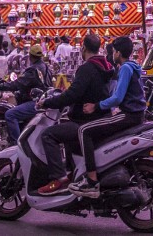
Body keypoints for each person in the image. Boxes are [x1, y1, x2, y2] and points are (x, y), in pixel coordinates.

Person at [35, 34, 114, 196]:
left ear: (83, 48)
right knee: (65, 127)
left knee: (48, 135)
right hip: (101, 117)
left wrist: (47, 102)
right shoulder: (106, 67)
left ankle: (58, 178)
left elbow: (72, 94)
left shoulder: (87, 68)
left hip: (86, 121)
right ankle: (73, 172)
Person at [69, 36, 147, 198]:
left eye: (113, 52)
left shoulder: (125, 68)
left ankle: (91, 182)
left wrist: (96, 106)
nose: (111, 55)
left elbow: (117, 98)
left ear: (118, 53)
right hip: (136, 114)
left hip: (129, 115)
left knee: (84, 130)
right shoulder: (134, 66)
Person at [0, 44, 52, 142]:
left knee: (10, 114)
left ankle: (17, 145)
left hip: (37, 102)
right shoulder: (45, 67)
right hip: (44, 99)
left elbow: (17, 84)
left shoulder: (33, 70)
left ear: (30, 56)